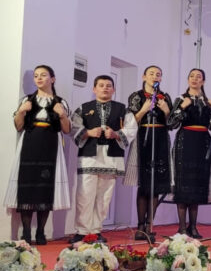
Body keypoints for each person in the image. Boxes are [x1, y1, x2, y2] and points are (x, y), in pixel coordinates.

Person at [4, 65, 71, 244]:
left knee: (45, 188)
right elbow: (18, 126)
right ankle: (26, 233)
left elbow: (66, 130)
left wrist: (62, 115)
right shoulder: (27, 100)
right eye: (36, 76)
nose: (39, 78)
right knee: (27, 186)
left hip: (51, 145)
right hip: (29, 144)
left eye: (43, 75)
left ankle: (41, 232)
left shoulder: (60, 102)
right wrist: (21, 111)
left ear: (52, 79)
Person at [70, 75, 137, 243]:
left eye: (108, 85)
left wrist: (116, 134)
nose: (105, 88)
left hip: (111, 156)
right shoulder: (84, 108)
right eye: (101, 85)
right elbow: (73, 127)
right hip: (89, 156)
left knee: (104, 197)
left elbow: (131, 128)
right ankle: (82, 231)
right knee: (84, 195)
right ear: (94, 89)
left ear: (114, 89)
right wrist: (88, 132)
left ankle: (96, 230)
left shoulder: (123, 109)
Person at [124, 65, 172, 241]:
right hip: (143, 136)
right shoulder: (136, 96)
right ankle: (140, 226)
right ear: (144, 77)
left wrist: (166, 110)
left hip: (160, 138)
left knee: (156, 184)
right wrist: (144, 109)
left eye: (158, 74)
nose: (155, 77)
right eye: (151, 74)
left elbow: (172, 124)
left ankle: (150, 224)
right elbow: (130, 122)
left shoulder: (165, 97)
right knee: (144, 184)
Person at [167, 68, 211, 238]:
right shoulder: (180, 99)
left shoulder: (208, 102)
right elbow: (171, 123)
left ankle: (193, 227)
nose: (195, 79)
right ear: (188, 80)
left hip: (203, 143)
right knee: (183, 183)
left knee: (197, 184)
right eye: (192, 76)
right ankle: (181, 228)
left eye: (198, 77)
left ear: (203, 81)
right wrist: (182, 107)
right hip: (185, 142)